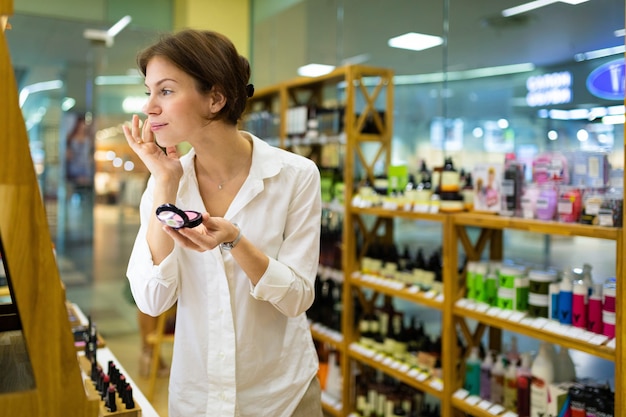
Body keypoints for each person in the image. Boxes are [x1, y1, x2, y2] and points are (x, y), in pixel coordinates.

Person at [123, 29, 323, 417]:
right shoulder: (165, 182)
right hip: (199, 398)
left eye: (165, 91)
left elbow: (298, 298)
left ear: (215, 98)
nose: (149, 107)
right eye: (148, 91)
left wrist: (236, 242)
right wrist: (164, 181)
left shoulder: (295, 175)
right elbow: (151, 301)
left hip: (282, 397)